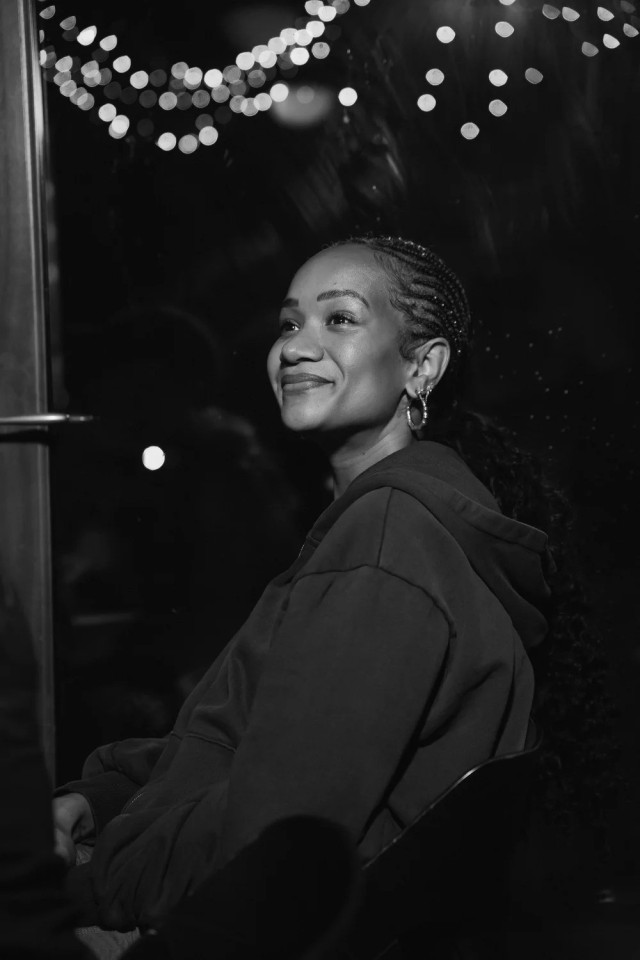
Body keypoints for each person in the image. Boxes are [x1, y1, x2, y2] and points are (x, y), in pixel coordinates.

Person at [53, 236, 560, 942]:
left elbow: (273, 845)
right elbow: (253, 739)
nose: (295, 347)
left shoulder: (386, 543)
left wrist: (85, 881)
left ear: (422, 365)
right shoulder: (388, 522)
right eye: (289, 323)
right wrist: (108, 799)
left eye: (340, 318)